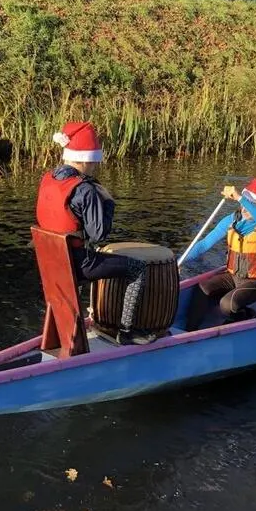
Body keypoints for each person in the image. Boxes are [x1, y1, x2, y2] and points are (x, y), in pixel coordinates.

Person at [35, 121, 151, 345]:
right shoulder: (85, 189)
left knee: (101, 260)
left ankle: (65, 332)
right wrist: (108, 203)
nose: (95, 167)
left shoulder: (47, 178)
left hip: (50, 261)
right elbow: (99, 235)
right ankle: (126, 332)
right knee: (137, 268)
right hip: (77, 264)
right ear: (86, 160)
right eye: (94, 163)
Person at [182, 179, 256, 329]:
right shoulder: (232, 220)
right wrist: (178, 261)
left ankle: (247, 315)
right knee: (202, 288)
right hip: (233, 276)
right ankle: (189, 331)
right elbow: (204, 244)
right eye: (244, 204)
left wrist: (240, 197)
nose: (245, 209)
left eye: (251, 205)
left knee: (227, 304)